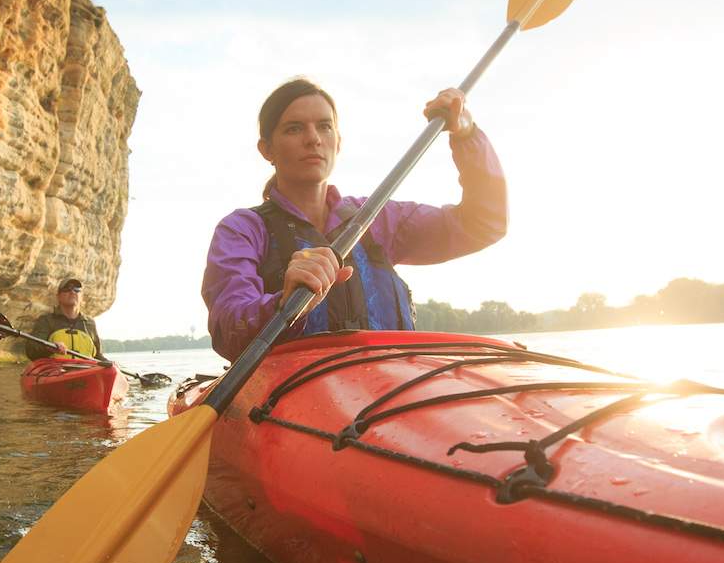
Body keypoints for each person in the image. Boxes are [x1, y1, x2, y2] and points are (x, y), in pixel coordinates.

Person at [201, 78, 506, 361]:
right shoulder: (242, 229)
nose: (313, 139)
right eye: (294, 128)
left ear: (338, 142)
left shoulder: (378, 217)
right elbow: (228, 328)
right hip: (294, 400)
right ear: (266, 149)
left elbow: (483, 223)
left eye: (324, 127)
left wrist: (466, 135)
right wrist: (284, 304)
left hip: (391, 390)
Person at [28, 277, 104, 359]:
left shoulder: (90, 323)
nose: (72, 292)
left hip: (85, 369)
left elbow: (97, 356)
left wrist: (111, 365)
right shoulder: (46, 321)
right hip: (57, 370)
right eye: (66, 289)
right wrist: (49, 348)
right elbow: (31, 351)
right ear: (58, 296)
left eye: (77, 290)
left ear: (82, 297)